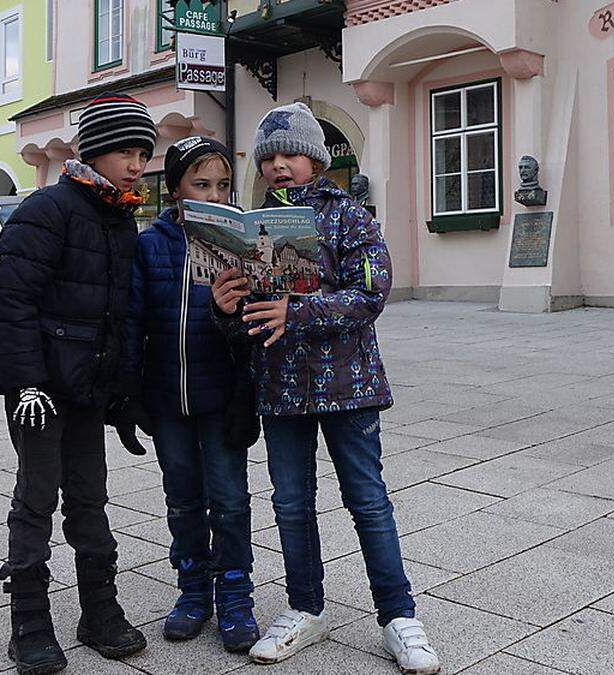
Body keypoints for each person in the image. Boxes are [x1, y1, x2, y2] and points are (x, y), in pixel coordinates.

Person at [210, 102, 441, 674]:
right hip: (281, 386)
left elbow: (371, 296)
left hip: (349, 384)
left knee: (367, 499)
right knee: (290, 503)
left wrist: (300, 310)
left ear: (315, 159)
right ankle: (305, 608)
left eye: (290, 154)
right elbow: (249, 322)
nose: (279, 166)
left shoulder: (351, 217)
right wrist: (226, 308)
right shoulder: (250, 229)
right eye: (268, 158)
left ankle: (398, 615)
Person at [0, 92, 156, 674]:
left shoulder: (121, 218)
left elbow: (122, 315)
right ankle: (29, 620)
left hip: (87, 387)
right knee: (36, 496)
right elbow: (10, 300)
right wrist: (25, 382)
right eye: (126, 151)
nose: (136, 164)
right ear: (96, 151)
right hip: (40, 387)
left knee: (89, 496)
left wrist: (123, 393)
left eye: (143, 154)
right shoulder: (48, 208)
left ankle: (98, 610)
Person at [120, 136, 261, 652]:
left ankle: (236, 594)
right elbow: (134, 320)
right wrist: (129, 392)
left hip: (221, 397)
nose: (214, 194)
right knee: (182, 500)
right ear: (176, 187)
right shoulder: (151, 243)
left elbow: (253, 331)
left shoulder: (241, 243)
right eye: (201, 184)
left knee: (230, 500)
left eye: (222, 185)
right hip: (166, 399)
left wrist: (234, 309)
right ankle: (192, 591)